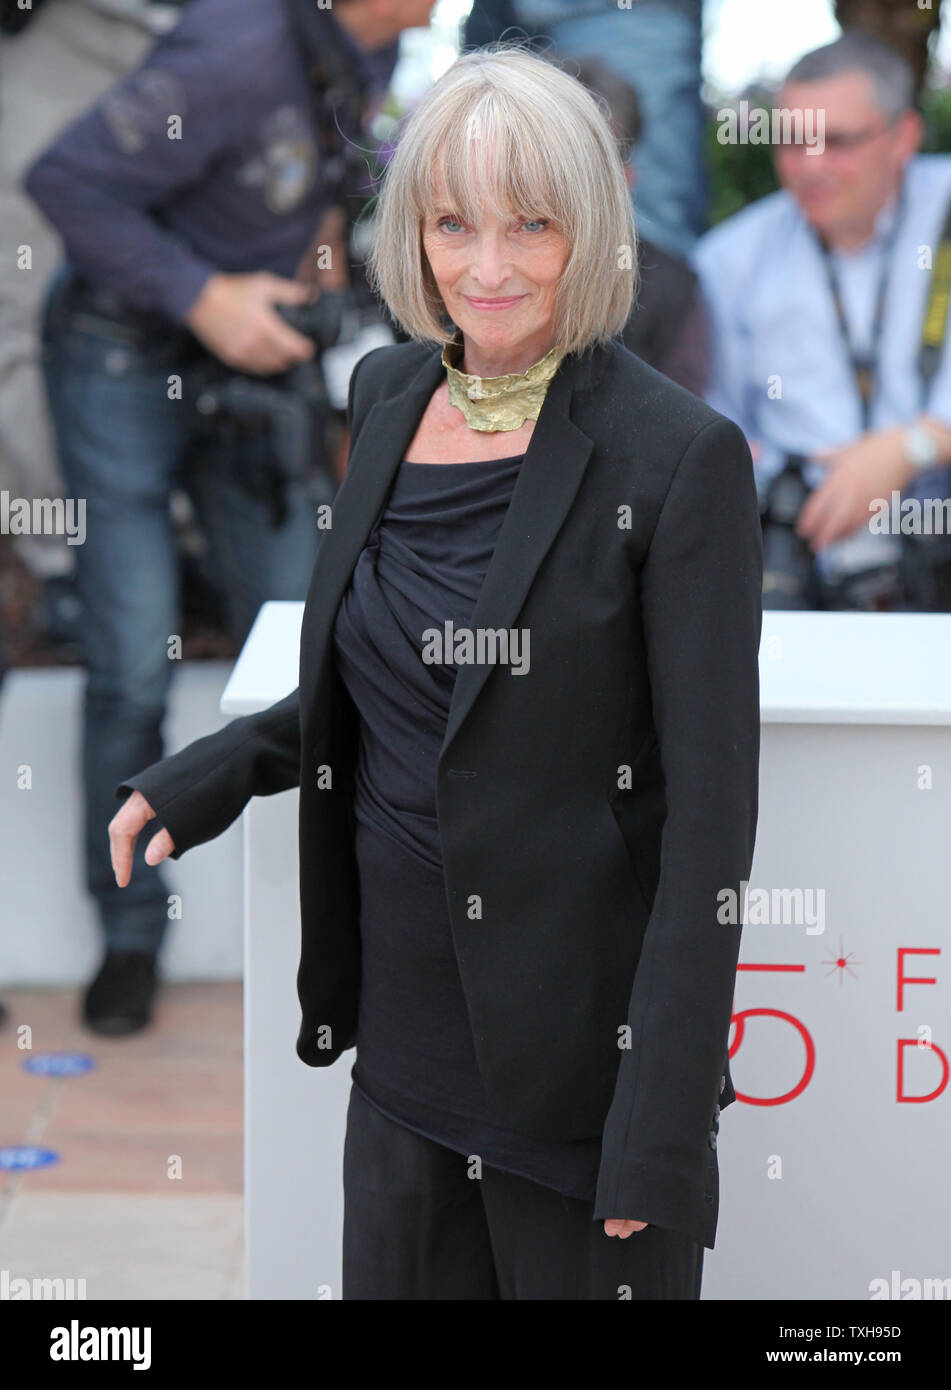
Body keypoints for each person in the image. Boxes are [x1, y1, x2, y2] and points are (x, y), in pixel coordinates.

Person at [108, 43, 761, 1300]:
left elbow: (711, 828)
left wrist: (659, 1137)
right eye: (453, 223)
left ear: (596, 227)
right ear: (412, 231)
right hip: (404, 1061)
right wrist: (210, 773)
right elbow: (396, 680)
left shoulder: (679, 459)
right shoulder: (391, 387)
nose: (490, 268)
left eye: (533, 224)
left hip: (582, 1087)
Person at [21, 0, 432, 1037]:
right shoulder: (238, 42)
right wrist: (201, 295)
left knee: (312, 639)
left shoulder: (371, 47)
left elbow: (300, 195)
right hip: (121, 351)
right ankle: (128, 940)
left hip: (245, 366)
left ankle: (355, 931)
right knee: (131, 648)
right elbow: (62, 178)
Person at [693, 32, 951, 611]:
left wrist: (917, 445)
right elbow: (716, 424)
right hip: (803, 555)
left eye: (837, 142)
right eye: (792, 141)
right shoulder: (730, 259)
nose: (810, 167)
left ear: (903, 137)